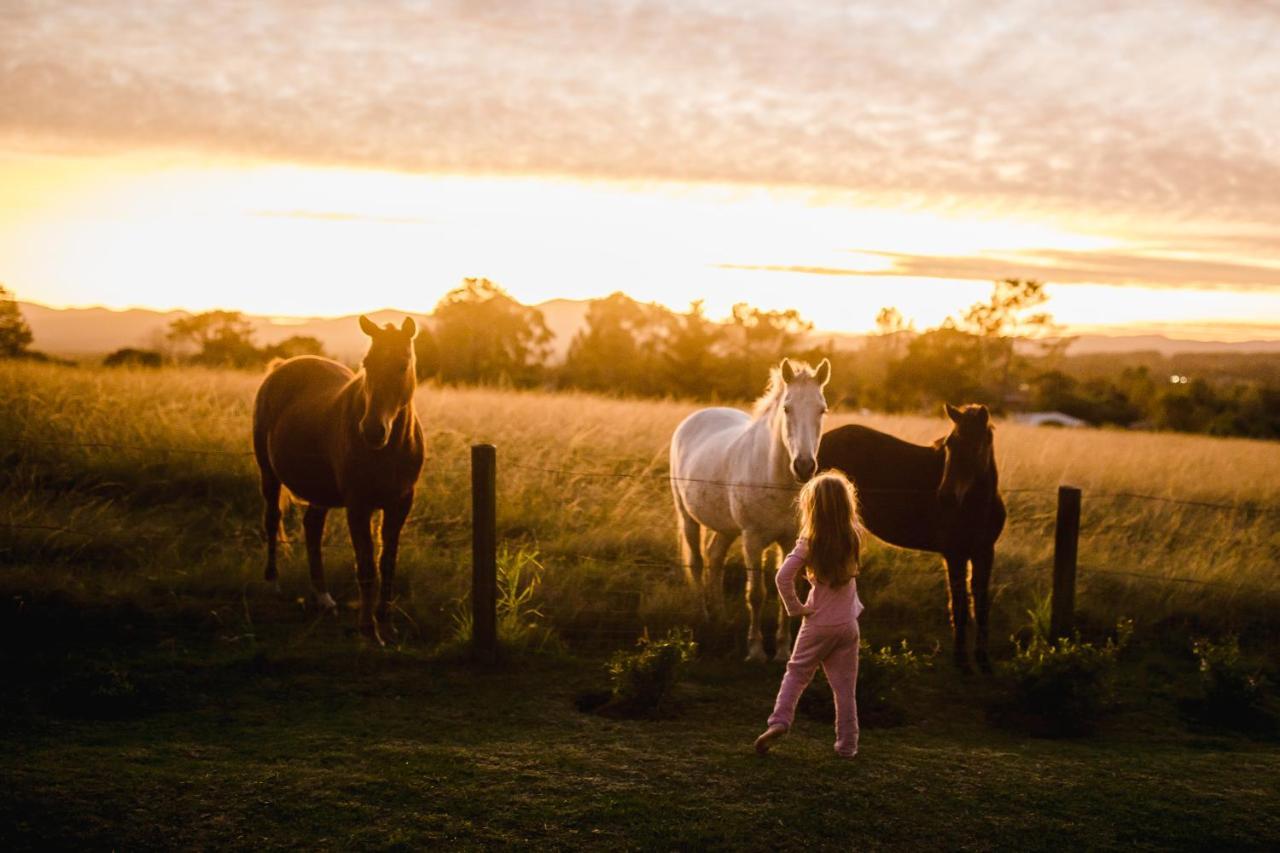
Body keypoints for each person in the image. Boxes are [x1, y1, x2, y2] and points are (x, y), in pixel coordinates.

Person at [755, 471, 865, 759]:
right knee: (844, 688)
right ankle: (847, 746)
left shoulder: (808, 542)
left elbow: (782, 578)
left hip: (817, 623)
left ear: (811, 507)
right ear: (846, 505)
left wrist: (796, 608)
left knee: (796, 674)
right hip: (848, 624)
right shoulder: (854, 536)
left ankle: (779, 722)